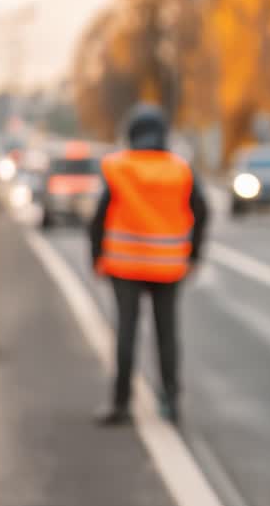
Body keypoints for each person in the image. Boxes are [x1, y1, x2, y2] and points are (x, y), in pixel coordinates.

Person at [88, 104, 208, 426]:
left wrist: (96, 256)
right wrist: (194, 254)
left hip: (124, 266)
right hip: (168, 267)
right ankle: (170, 402)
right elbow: (201, 210)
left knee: (126, 333)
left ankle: (121, 404)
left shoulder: (119, 168)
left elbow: (98, 217)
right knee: (166, 333)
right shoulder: (180, 170)